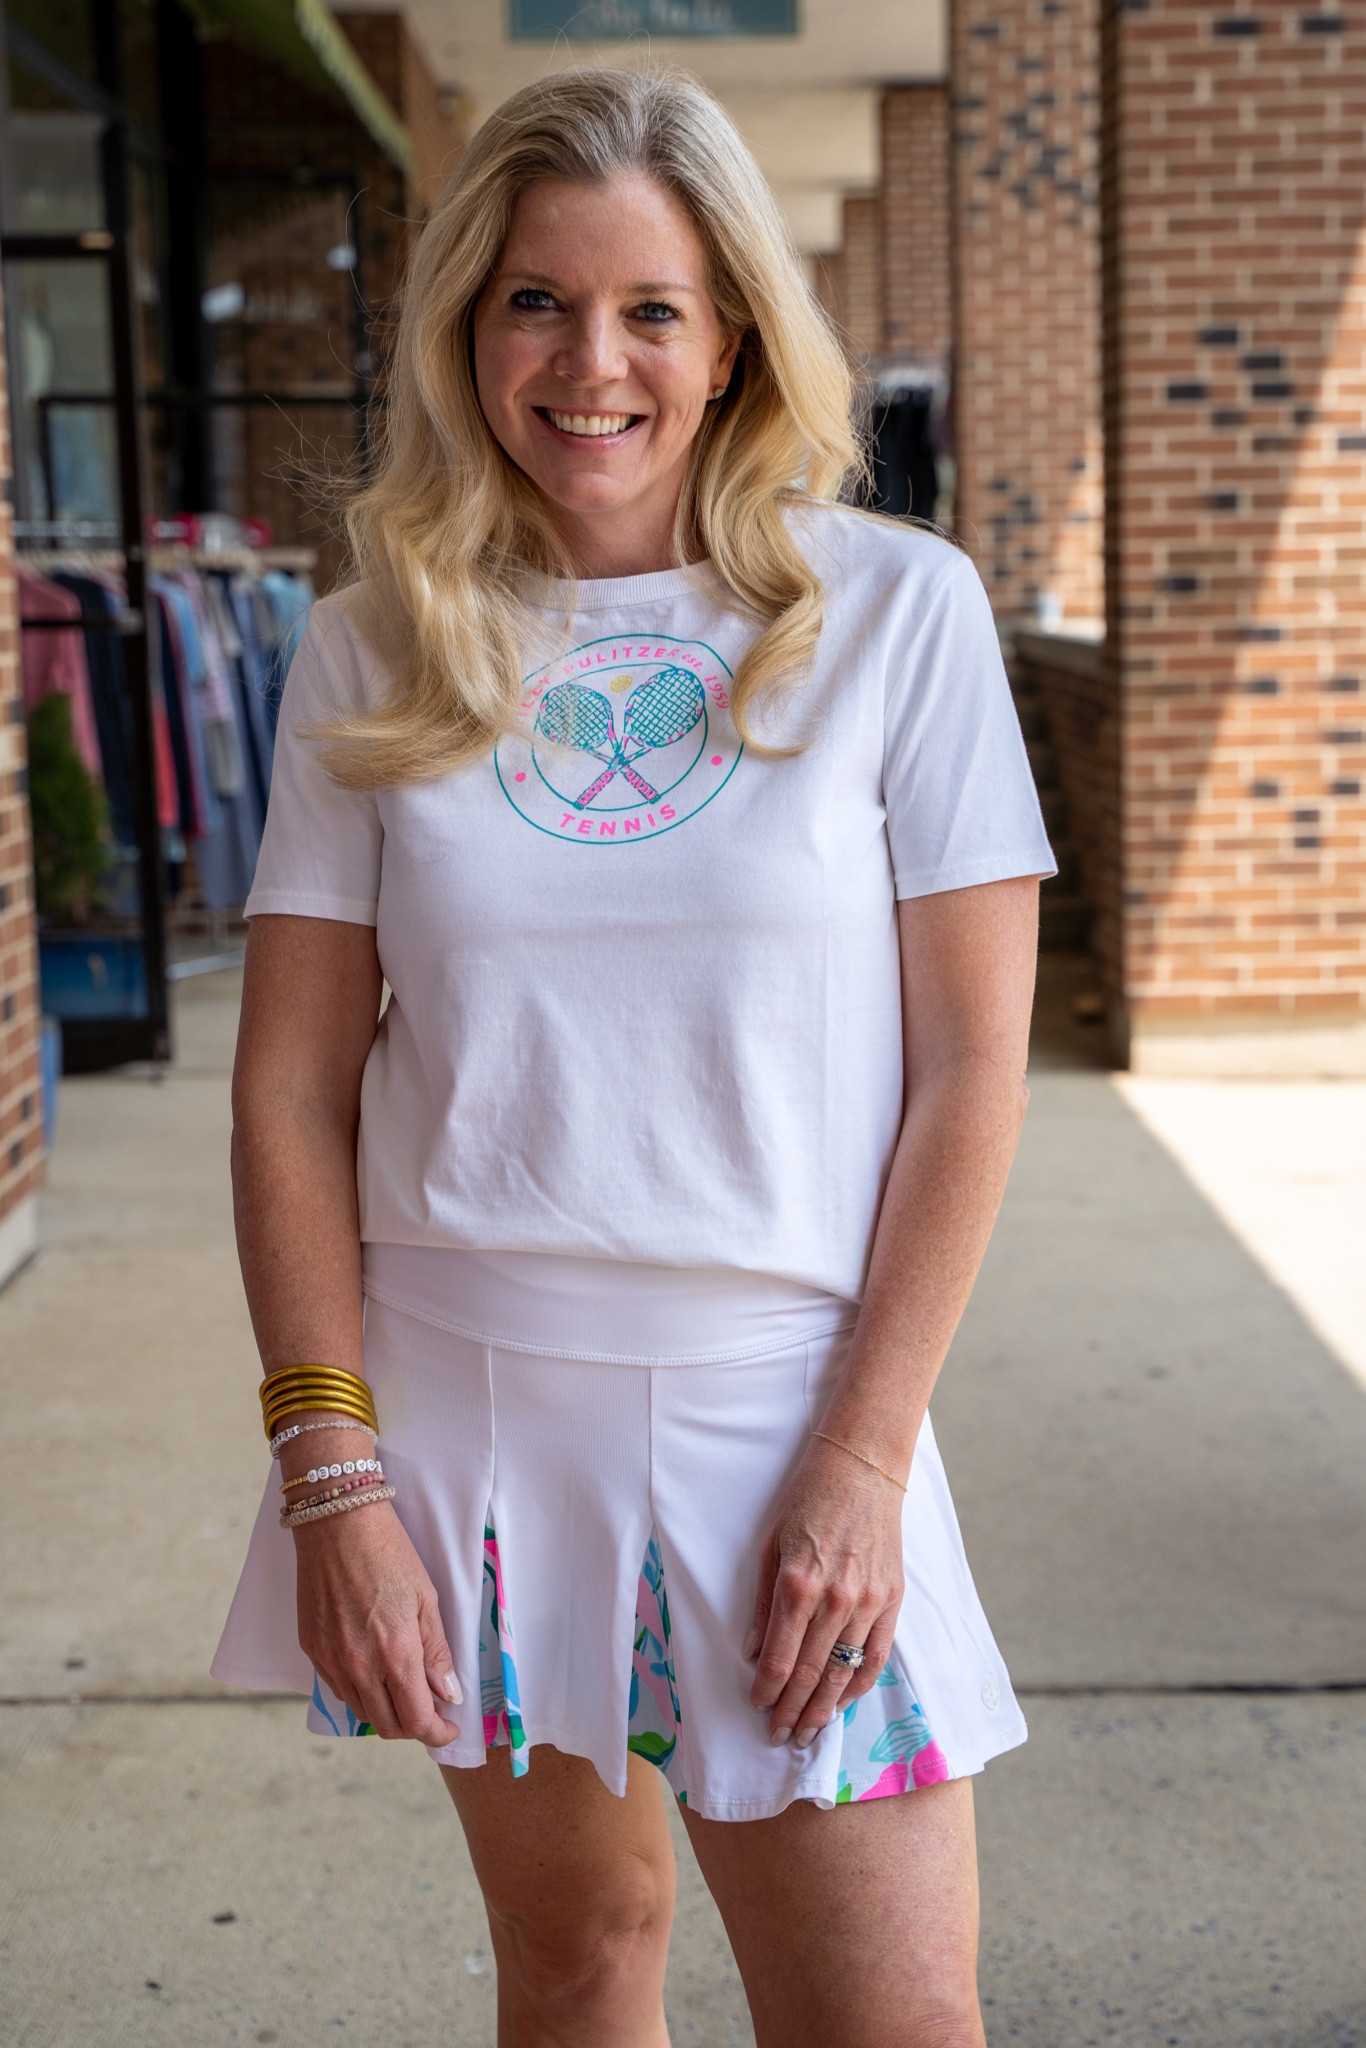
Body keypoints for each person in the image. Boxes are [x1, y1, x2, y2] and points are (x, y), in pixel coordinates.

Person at [213, 66, 1055, 2048]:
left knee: (887, 2020)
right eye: (536, 301)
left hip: (792, 1410)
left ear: (732, 334)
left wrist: (864, 1454)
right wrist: (331, 1475)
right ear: (465, 329)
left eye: (649, 308)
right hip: (466, 1412)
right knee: (576, 1963)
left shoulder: (891, 611)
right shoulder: (374, 642)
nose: (590, 362)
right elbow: (288, 1092)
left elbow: (968, 1073)